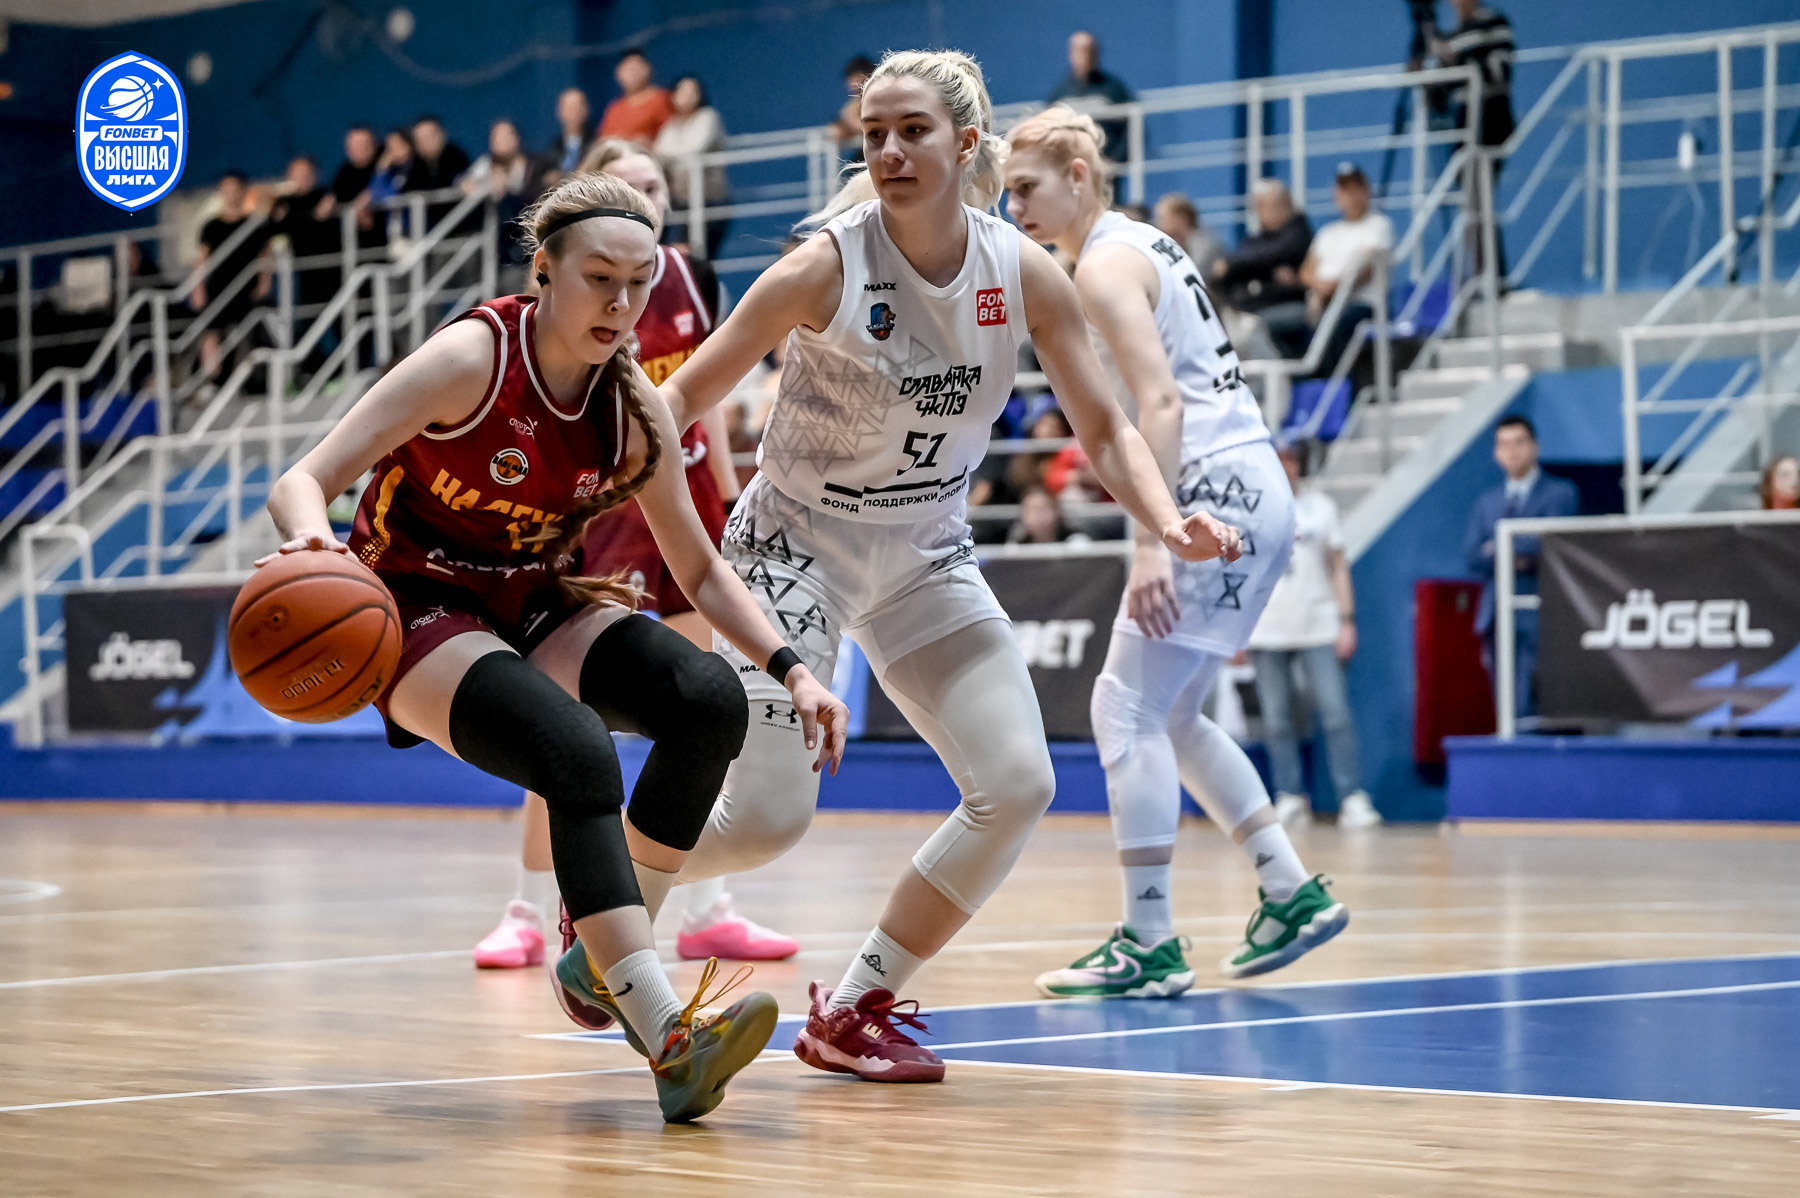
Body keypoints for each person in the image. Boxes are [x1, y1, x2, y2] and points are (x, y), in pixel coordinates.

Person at [654, 50, 1242, 1082]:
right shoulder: (823, 267)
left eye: (912, 131)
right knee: (766, 820)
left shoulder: (1021, 271)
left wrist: (1166, 517)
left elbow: (1107, 428)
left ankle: (853, 1009)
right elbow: (671, 406)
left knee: (1016, 784)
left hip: (925, 549)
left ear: (967, 144)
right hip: (793, 547)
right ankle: (606, 890)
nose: (889, 150)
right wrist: (624, 517)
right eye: (874, 133)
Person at [262, 170, 846, 1122]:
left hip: (530, 600)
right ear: (544, 271)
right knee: (574, 750)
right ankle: (666, 1034)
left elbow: (700, 571)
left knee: (710, 700)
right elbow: (304, 478)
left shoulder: (635, 408)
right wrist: (312, 543)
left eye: (639, 284)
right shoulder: (471, 359)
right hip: (412, 605)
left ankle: (598, 958)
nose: (621, 304)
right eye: (599, 279)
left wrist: (794, 671)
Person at [1003, 105, 1346, 1001]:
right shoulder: (1142, 243)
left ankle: (1148, 940)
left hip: (1212, 491)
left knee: (1122, 710)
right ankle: (1290, 889)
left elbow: (1159, 405)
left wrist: (1153, 542)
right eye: (1005, 194)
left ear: (1079, 175)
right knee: (1176, 715)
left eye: (1027, 188)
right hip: (1256, 485)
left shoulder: (1103, 266)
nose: (1014, 208)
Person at [473, 143, 798, 971]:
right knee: (564, 726)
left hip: (682, 505)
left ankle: (707, 910)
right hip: (607, 517)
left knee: (701, 709)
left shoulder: (689, 277)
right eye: (631, 185)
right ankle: (528, 908)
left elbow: (706, 397)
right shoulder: (573, 299)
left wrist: (729, 490)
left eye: (656, 186)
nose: (647, 196)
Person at [1247, 440, 1377, 828]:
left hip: (1318, 624)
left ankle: (1351, 796)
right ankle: (1289, 795)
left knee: (1335, 713)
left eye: (1291, 459)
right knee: (1276, 719)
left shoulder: (1321, 507)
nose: (1286, 467)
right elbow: (1241, 574)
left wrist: (1347, 619)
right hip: (1267, 628)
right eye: (1278, 460)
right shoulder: (1249, 510)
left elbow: (1338, 566)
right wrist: (1235, 628)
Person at [1465, 415, 1577, 721]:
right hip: (1496, 613)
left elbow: (1549, 544)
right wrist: (1518, 553)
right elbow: (1473, 555)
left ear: (1534, 446)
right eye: (1504, 444)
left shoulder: (1560, 493)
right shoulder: (1486, 502)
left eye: (1519, 443)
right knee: (1504, 701)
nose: (1512, 451)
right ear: (1495, 452)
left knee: (1534, 701)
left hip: (1539, 609)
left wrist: (1499, 547)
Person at [1432, 1, 1515, 277]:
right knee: (1471, 202)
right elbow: (1440, 98)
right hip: (1463, 124)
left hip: (1491, 120)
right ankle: (1484, 274)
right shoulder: (1449, 35)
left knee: (1481, 199)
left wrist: (1457, 61)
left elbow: (1500, 73)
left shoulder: (1494, 23)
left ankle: (1492, 276)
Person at [1295, 164, 1394, 371]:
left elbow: (1366, 270)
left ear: (1365, 191)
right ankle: (1302, 379)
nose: (1350, 196)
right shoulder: (1327, 232)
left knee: (1337, 323)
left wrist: (1332, 290)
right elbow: (1305, 271)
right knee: (1283, 323)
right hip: (1323, 302)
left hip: (1362, 304)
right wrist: (1321, 289)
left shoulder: (1379, 225)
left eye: (1354, 189)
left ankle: (1339, 382)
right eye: (1344, 190)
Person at [192, 169, 270, 384]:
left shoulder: (254, 225)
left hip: (245, 288)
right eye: (226, 190)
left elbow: (265, 257)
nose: (231, 194)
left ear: (243, 192)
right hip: (218, 287)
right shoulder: (211, 226)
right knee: (212, 333)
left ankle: (243, 380)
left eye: (235, 189)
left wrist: (264, 284)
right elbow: (201, 259)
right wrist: (197, 289)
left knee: (246, 333)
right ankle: (211, 380)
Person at [1215, 179, 1312, 333]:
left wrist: (1234, 267)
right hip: (1247, 305)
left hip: (1284, 304)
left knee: (1248, 328)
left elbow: (1266, 257)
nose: (1260, 212)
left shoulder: (1298, 232)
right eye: (1258, 206)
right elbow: (1240, 261)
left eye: (1265, 205)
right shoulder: (1257, 238)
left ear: (1285, 204)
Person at [655, 75, 732, 260]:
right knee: (681, 253)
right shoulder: (671, 125)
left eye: (692, 91)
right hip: (680, 201)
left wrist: (667, 155)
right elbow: (658, 152)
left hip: (710, 199)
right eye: (681, 91)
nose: (686, 96)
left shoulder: (709, 117)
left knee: (704, 257)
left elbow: (694, 149)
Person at [462, 118, 538, 288]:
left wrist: (508, 192)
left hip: (521, 246)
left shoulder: (532, 165)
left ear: (516, 138)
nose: (500, 141)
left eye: (505, 136)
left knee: (511, 282)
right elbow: (464, 183)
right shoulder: (485, 164)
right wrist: (470, 186)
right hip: (492, 243)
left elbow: (535, 203)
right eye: (495, 136)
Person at [1046, 31, 1133, 164]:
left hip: (1105, 166)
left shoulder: (1114, 90)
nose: (1086, 56)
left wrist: (1114, 161)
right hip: (1071, 168)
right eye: (1080, 51)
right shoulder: (1060, 94)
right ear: (1071, 54)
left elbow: (1132, 129)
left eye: (1090, 51)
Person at [327, 125, 385, 257]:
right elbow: (333, 200)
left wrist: (364, 202)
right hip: (353, 242)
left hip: (382, 236)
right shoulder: (344, 172)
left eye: (362, 144)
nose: (358, 148)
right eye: (353, 145)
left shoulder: (384, 164)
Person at [600, 49, 674, 147]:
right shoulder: (614, 108)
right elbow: (603, 140)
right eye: (628, 69)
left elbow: (674, 134)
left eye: (636, 68)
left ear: (648, 69)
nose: (633, 74)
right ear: (618, 74)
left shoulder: (662, 99)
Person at [1152, 193, 1226, 286]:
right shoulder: (1176, 243)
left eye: (1161, 218)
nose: (1156, 223)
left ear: (1182, 219)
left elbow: (1191, 275)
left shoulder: (1203, 244)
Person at [542, 87, 596, 188]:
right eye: (568, 107)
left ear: (586, 110)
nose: (574, 112)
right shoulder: (553, 149)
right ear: (559, 111)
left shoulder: (596, 145)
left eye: (578, 106)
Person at [1006, 485, 1089, 545]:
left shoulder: (1076, 542)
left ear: (1057, 512)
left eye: (1045, 509)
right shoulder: (1016, 546)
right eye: (1034, 509)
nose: (1039, 515)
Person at [831, 55, 878, 160]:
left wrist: (854, 123)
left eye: (857, 77)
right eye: (850, 78)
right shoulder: (853, 105)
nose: (853, 83)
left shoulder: (881, 99)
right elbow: (835, 131)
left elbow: (878, 129)